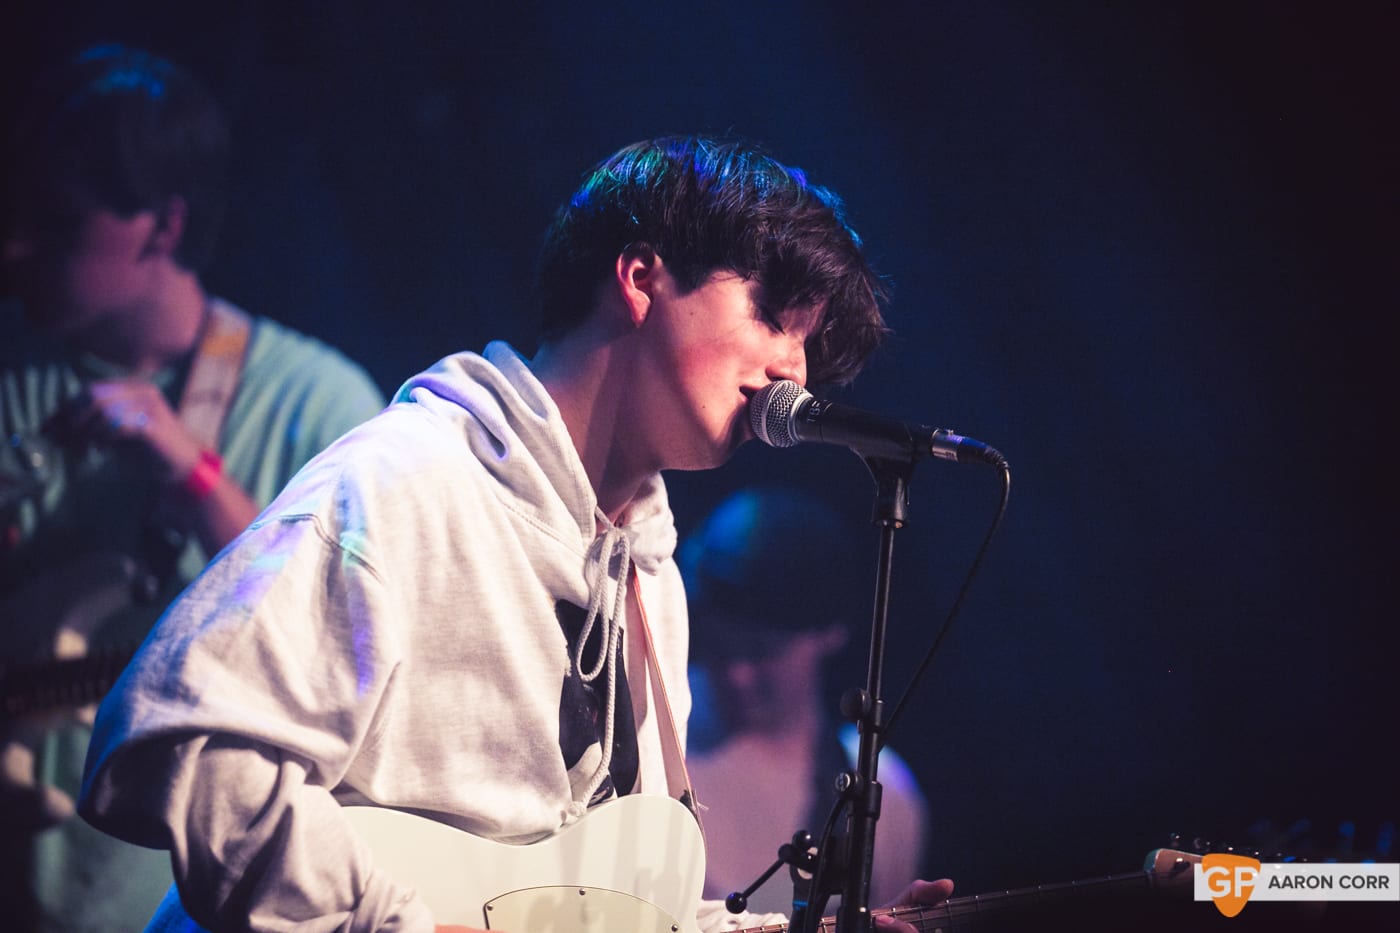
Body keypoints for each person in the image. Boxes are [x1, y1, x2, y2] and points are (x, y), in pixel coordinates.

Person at [77, 134, 953, 931]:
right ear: (642, 277)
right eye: (773, 314)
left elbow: (609, 907)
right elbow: (191, 743)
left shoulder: (654, 584)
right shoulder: (408, 482)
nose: (792, 368)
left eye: (805, 343)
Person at [0, 44, 386, 931]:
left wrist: (200, 477)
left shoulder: (318, 401)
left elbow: (350, 644)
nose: (13, 247)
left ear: (164, 227)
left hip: (181, 902)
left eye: (59, 224)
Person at [681, 486, 930, 917]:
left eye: (762, 651)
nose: (736, 674)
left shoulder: (884, 795)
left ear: (830, 633)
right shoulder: (652, 727)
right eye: (718, 648)